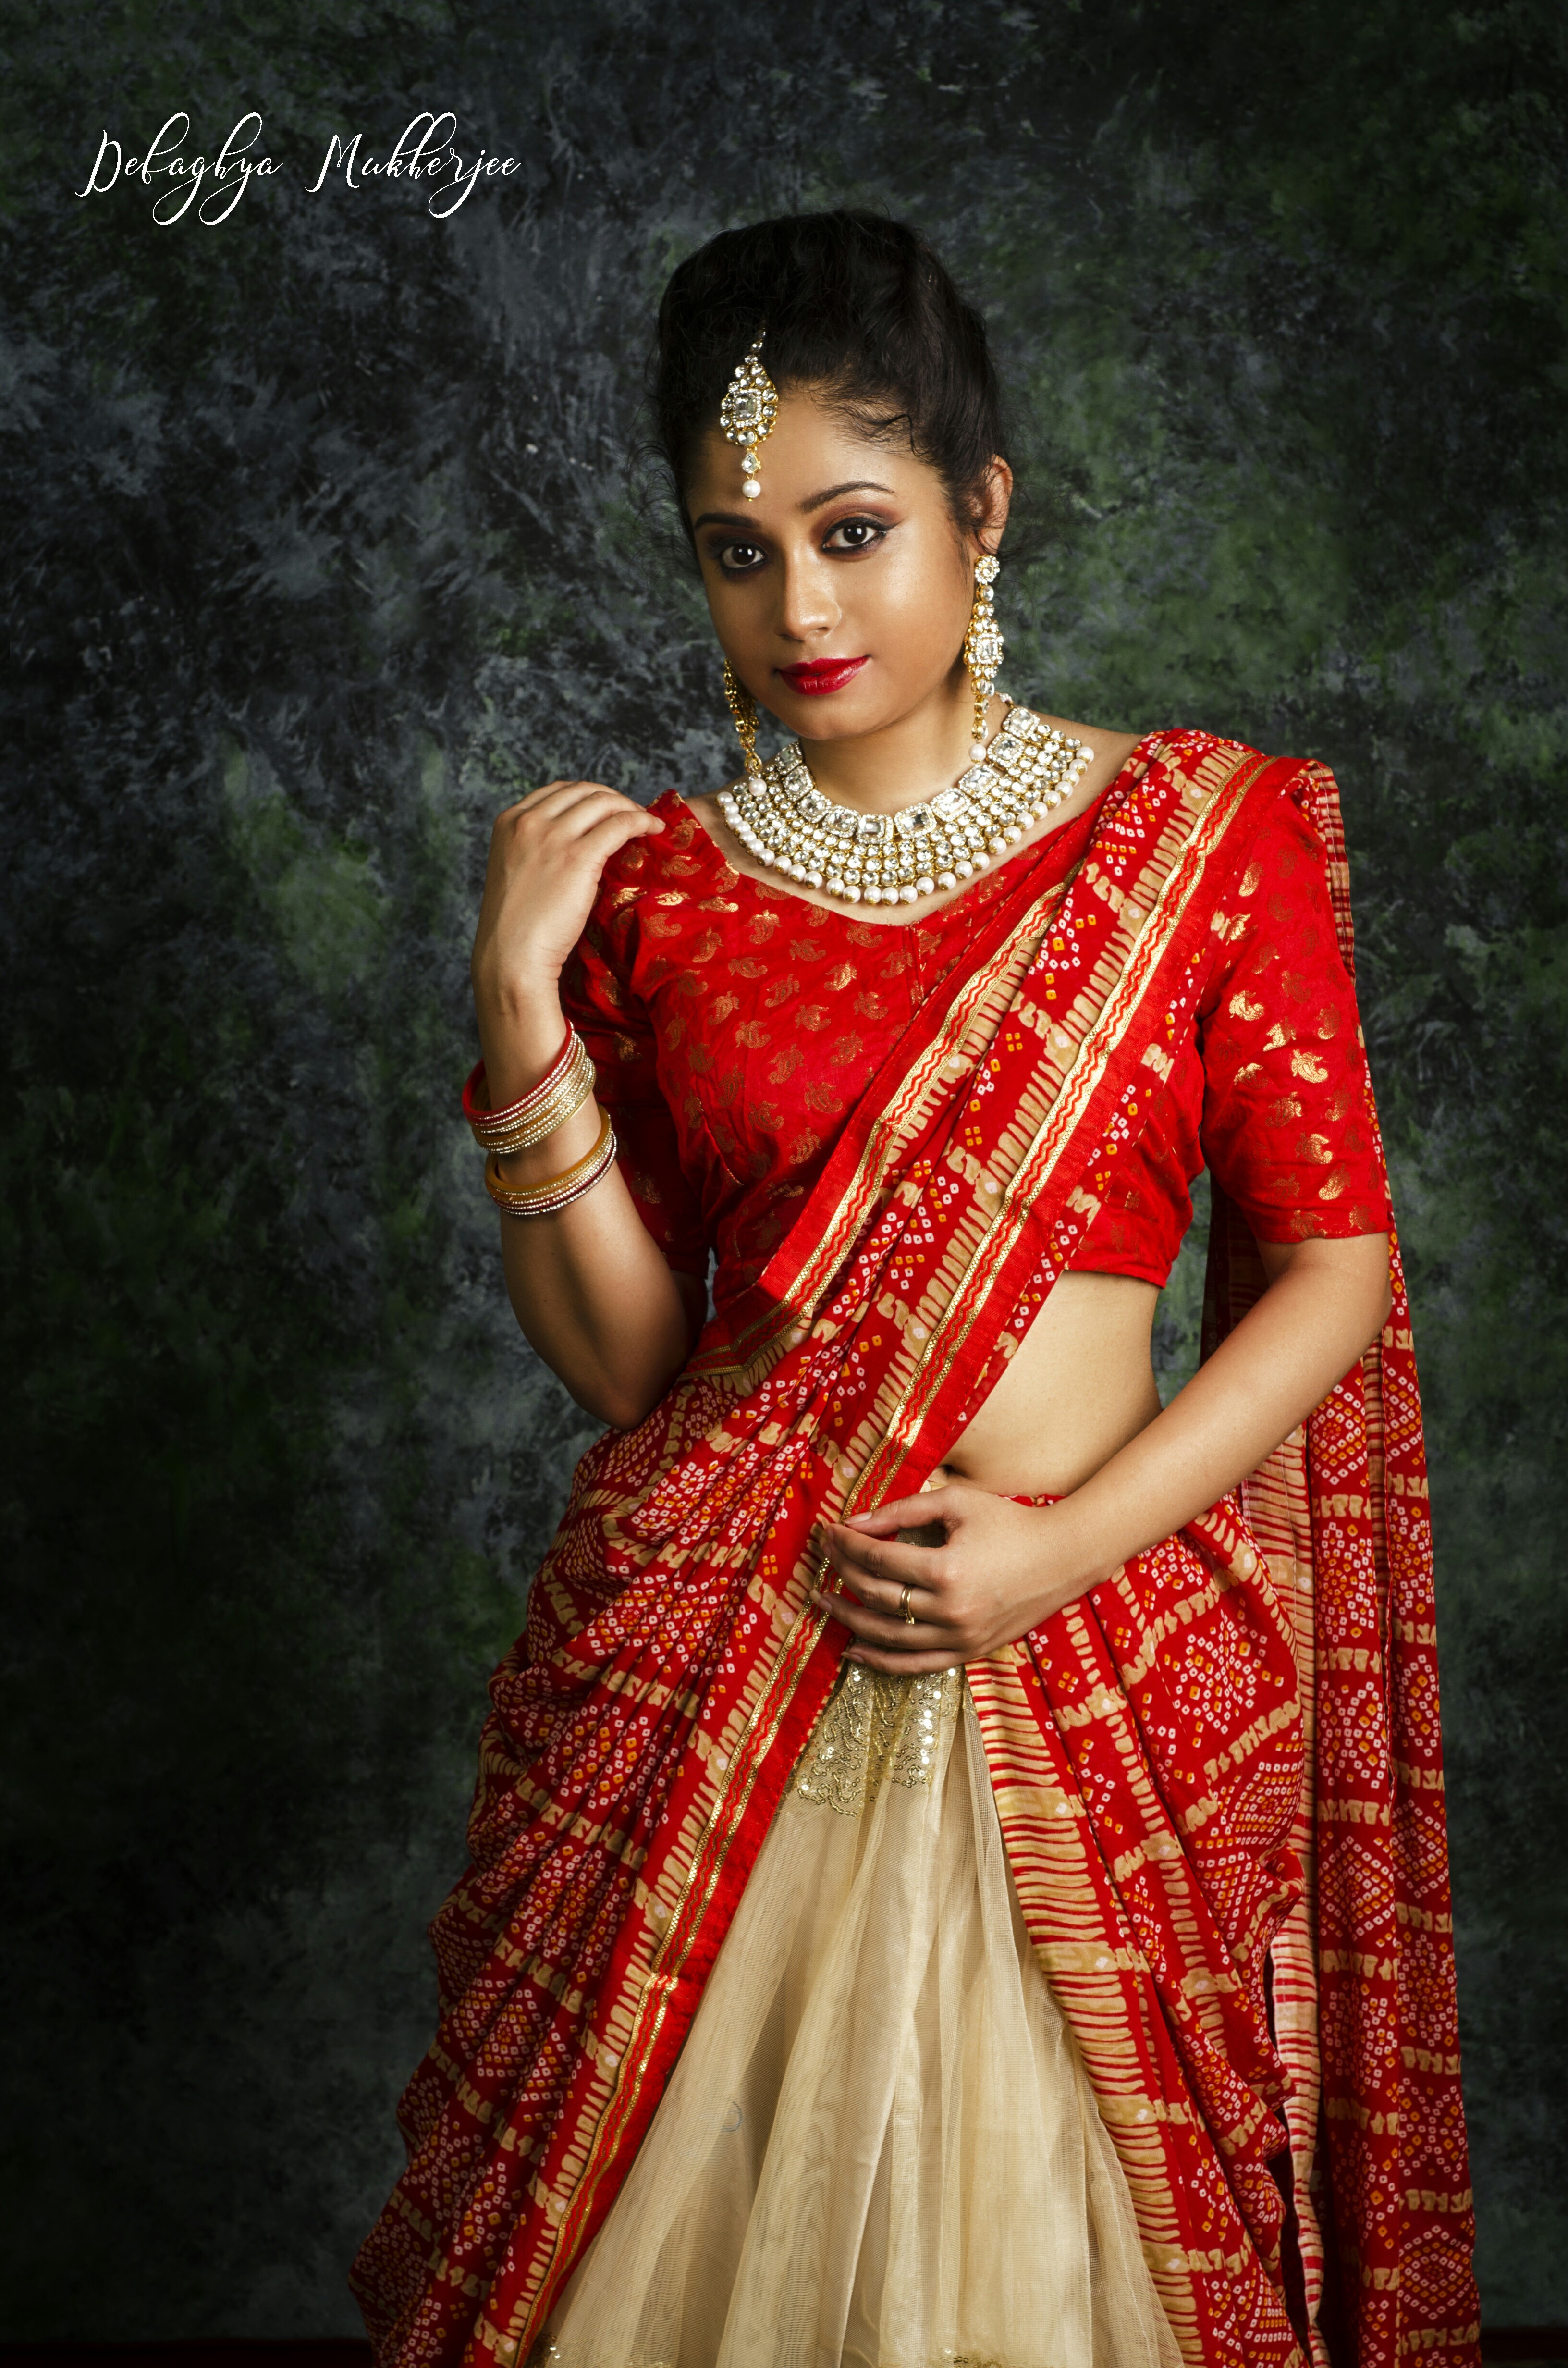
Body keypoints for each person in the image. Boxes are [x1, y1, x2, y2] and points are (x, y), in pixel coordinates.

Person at [352, 211, 1479, 2368]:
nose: (800, 608)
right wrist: (518, 1012)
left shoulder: (1198, 842)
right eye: (738, 551)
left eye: (852, 531)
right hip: (735, 1681)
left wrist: (1057, 1548)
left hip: (1088, 1654)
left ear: (984, 509)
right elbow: (636, 1366)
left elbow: (1336, 1274)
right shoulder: (663, 893)